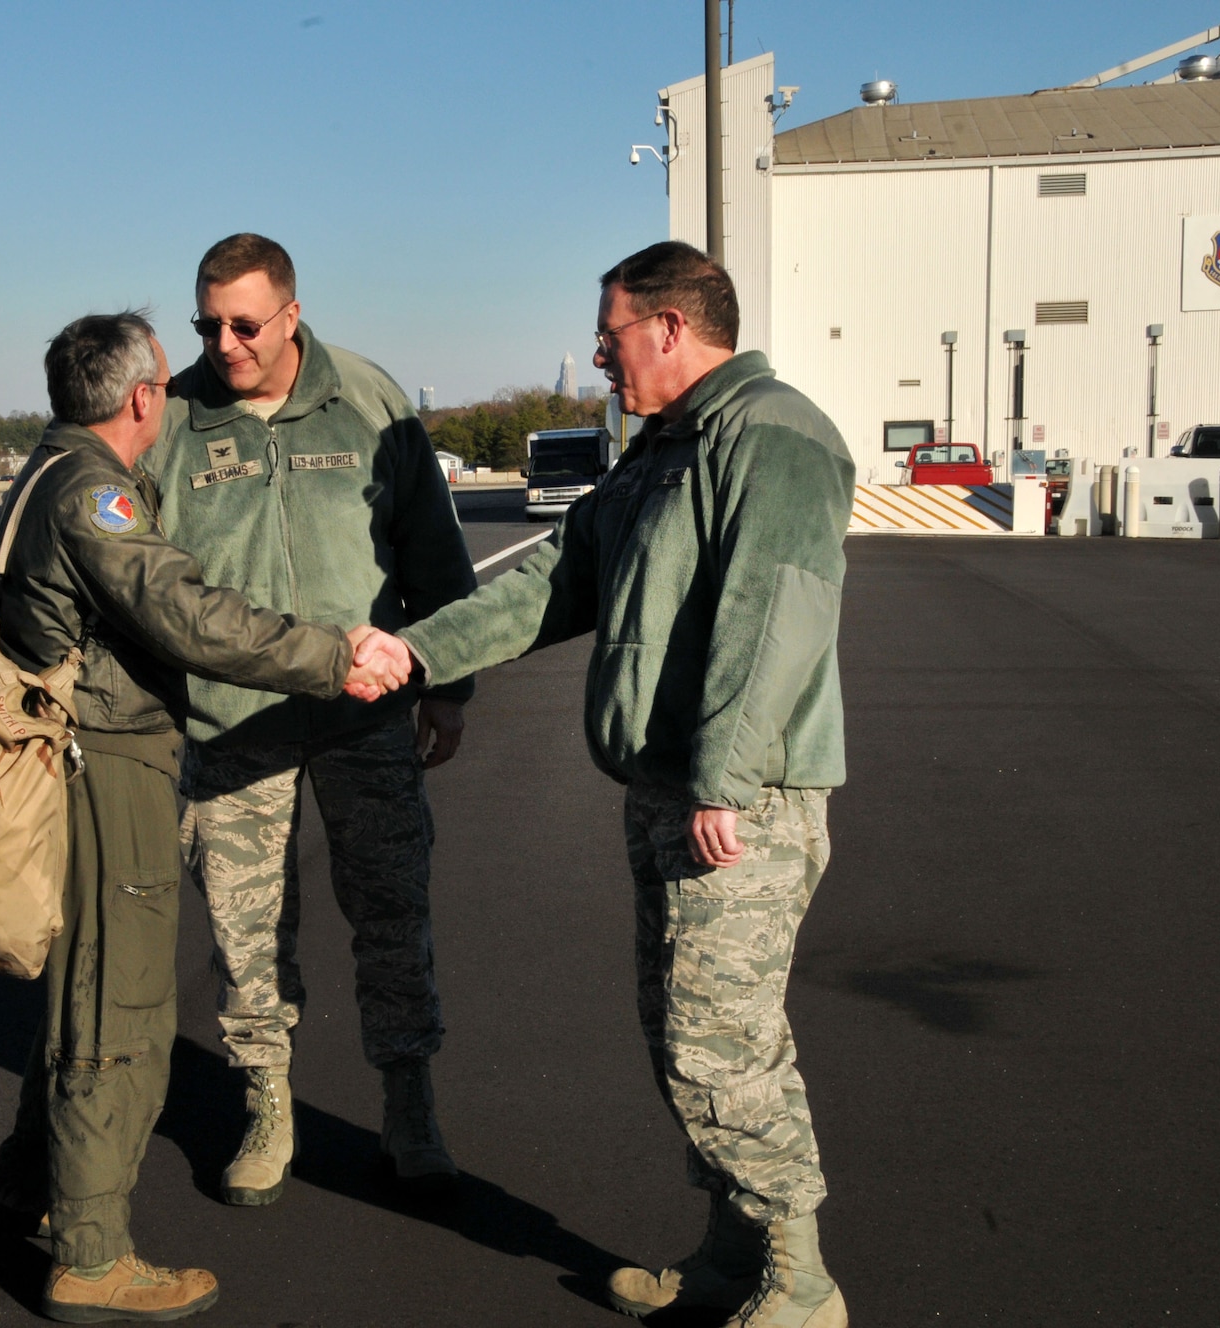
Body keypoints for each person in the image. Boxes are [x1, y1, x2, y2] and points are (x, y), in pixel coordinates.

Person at [362, 242, 855, 1328]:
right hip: (670, 793)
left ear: (671, 327)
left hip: (739, 800)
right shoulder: (654, 457)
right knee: (680, 1030)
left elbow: (773, 614)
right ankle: (733, 1252)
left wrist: (721, 776)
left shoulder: (769, 433)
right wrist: (416, 653)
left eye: (611, 330)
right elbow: (548, 583)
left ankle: (799, 1277)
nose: (596, 352)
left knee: (715, 1040)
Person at [0, 311, 407, 1324]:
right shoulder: (95, 493)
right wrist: (332, 654)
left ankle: (23, 1187)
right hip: (102, 765)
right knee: (119, 1005)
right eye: (166, 379)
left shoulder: (46, 470)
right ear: (140, 399)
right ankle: (90, 1251)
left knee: (81, 992)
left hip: (68, 758)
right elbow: (188, 616)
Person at [144, 233, 476, 1205]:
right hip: (228, 723)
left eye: (243, 323)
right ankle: (266, 1100)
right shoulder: (172, 420)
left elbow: (433, 555)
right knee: (244, 927)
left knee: (390, 909)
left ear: (290, 313)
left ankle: (409, 1102)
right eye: (205, 323)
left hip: (361, 714)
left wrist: (449, 684)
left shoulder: (370, 401)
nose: (223, 342)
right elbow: (136, 574)